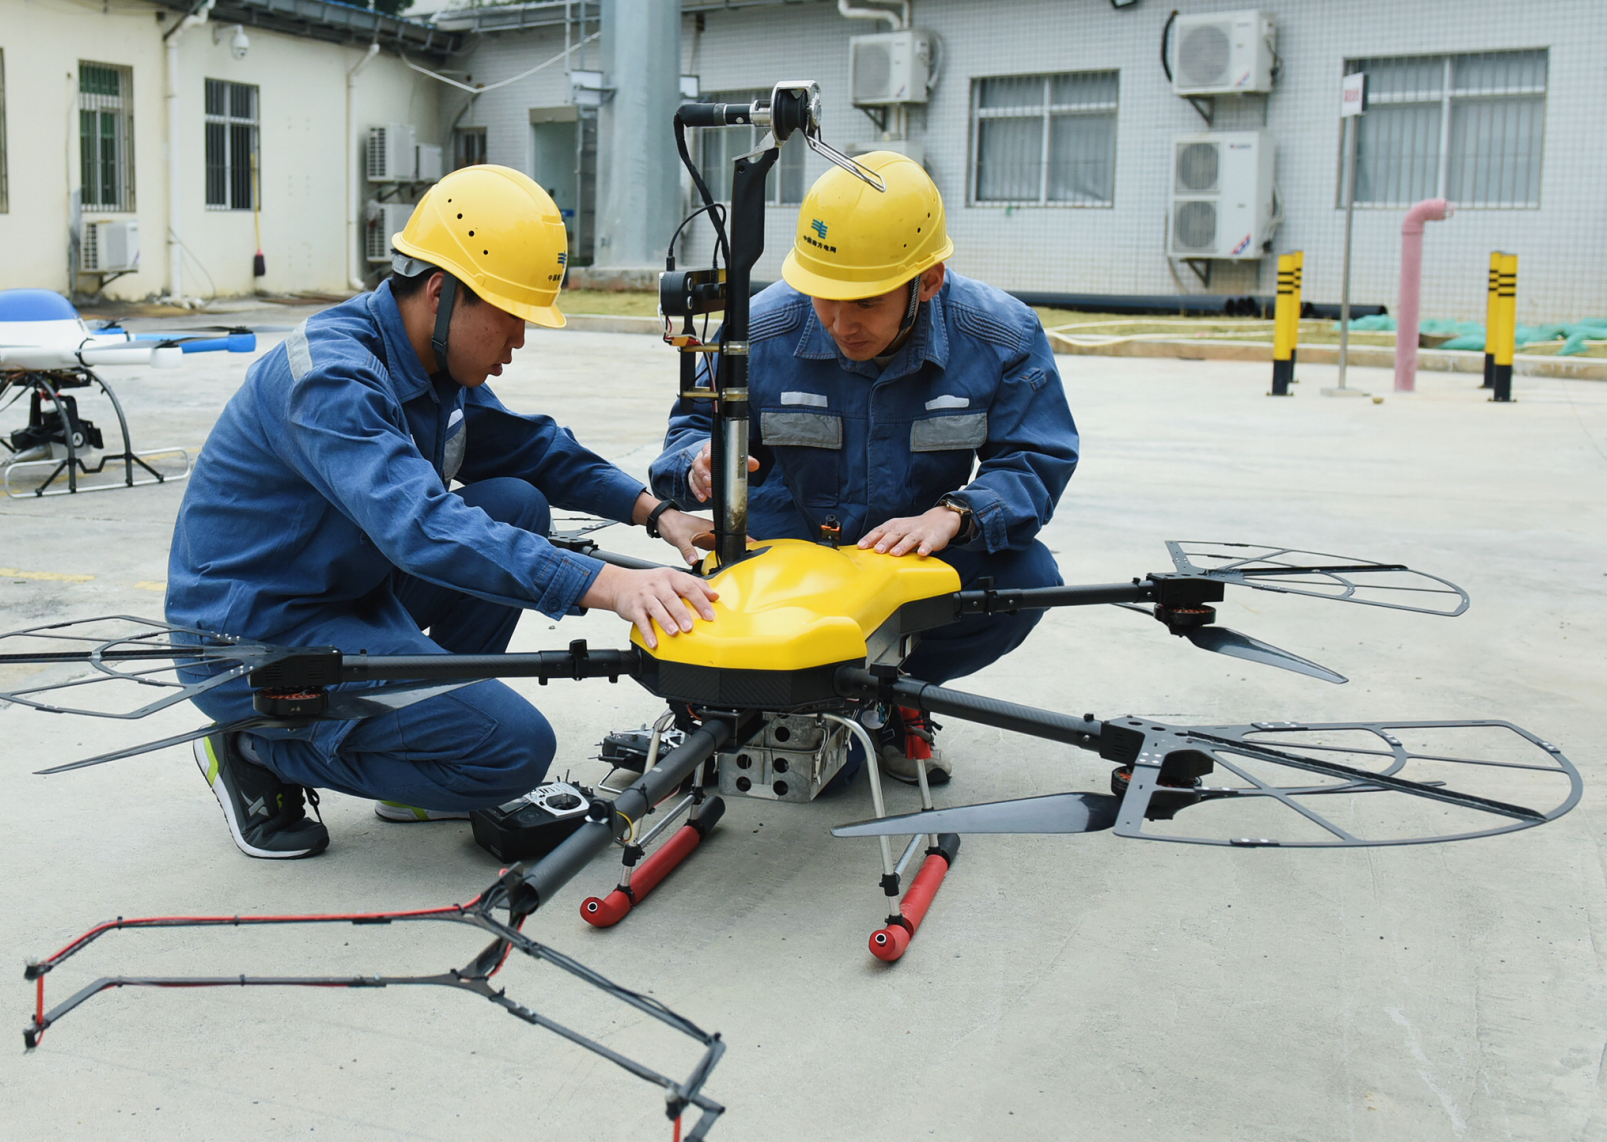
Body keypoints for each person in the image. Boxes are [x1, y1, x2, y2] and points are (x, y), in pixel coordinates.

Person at [168, 165, 715, 859]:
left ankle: (413, 750)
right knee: (513, 751)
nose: (517, 341)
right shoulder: (331, 379)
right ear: (441, 292)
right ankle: (255, 748)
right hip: (257, 635)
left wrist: (658, 512)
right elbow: (421, 525)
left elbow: (533, 450)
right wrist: (609, 585)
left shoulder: (430, 364)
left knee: (517, 503)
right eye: (511, 318)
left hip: (345, 587)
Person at [648, 152, 1079, 785]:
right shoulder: (759, 330)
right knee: (813, 759)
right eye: (824, 297)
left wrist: (956, 515)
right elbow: (684, 434)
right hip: (784, 561)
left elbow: (1035, 458)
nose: (841, 324)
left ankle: (895, 695)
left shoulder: (1000, 337)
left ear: (927, 281)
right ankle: (798, 699)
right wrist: (699, 465)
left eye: (867, 304)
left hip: (907, 562)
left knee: (1027, 577)